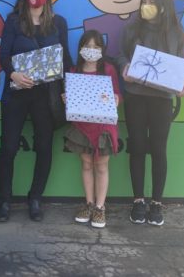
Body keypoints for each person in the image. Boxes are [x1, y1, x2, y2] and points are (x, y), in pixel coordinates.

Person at [0, 0, 72, 223]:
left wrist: (66, 88)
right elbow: (3, 55)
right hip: (17, 93)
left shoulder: (58, 23)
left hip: (46, 95)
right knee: (8, 147)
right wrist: (13, 74)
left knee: (44, 147)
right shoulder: (13, 21)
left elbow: (66, 59)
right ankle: (5, 200)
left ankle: (35, 198)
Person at [116, 0, 184, 226]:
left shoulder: (177, 33)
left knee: (158, 148)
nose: (146, 6)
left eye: (151, 2)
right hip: (135, 95)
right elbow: (121, 55)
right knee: (136, 146)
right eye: (144, 1)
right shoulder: (132, 29)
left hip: (162, 99)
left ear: (163, 6)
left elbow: (183, 64)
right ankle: (138, 200)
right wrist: (124, 66)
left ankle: (157, 202)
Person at [63, 30, 121, 229]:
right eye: (87, 46)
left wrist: (115, 99)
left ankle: (100, 207)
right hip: (82, 127)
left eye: (96, 47)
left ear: (102, 50)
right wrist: (66, 99)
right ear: (80, 49)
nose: (91, 50)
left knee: (102, 166)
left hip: (104, 127)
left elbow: (116, 95)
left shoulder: (108, 70)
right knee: (87, 164)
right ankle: (88, 203)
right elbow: (71, 99)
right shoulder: (73, 71)